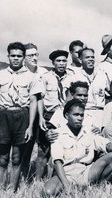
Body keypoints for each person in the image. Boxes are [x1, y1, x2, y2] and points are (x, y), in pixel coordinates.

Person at [0, 42, 41, 191]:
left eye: (19, 56)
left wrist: (30, 126)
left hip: (22, 116)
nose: (16, 59)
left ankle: (12, 191)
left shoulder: (32, 77)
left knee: (17, 158)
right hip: (4, 115)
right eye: (13, 56)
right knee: (3, 158)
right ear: (8, 57)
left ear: (23, 57)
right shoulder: (1, 75)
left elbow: (33, 102)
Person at [43, 99, 112, 196]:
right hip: (66, 173)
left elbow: (106, 144)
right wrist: (67, 186)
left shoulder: (89, 131)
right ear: (66, 116)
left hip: (86, 172)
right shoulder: (57, 134)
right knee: (47, 192)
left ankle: (99, 189)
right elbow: (57, 162)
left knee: (111, 156)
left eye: (81, 115)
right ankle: (72, 189)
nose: (79, 118)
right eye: (75, 115)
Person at [37, 49, 76, 180]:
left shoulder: (71, 78)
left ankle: (55, 178)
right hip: (49, 114)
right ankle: (38, 179)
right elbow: (40, 99)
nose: (61, 63)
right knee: (43, 150)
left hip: (64, 115)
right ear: (53, 63)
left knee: (60, 148)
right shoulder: (46, 77)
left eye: (64, 61)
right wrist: (41, 117)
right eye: (58, 61)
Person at [21, 43, 48, 181]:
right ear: (24, 57)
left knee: (43, 148)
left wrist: (43, 116)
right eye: (30, 55)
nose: (34, 58)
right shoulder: (21, 72)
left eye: (36, 54)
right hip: (26, 113)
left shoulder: (44, 72)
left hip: (43, 114)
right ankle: (23, 178)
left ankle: (39, 179)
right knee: (25, 148)